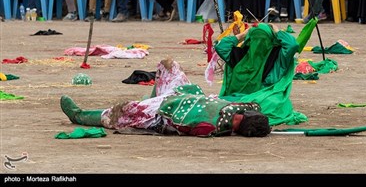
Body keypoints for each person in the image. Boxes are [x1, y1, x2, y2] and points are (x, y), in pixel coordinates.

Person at [60, 59, 271, 137]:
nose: (237, 114)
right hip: (179, 95)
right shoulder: (238, 109)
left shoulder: (210, 127)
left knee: (121, 111)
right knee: (168, 65)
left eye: (240, 119)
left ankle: (79, 116)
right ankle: (151, 97)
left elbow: (183, 126)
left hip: (161, 113)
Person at [215, 22, 308, 126]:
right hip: (237, 98)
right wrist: (244, 34)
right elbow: (220, 46)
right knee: (220, 104)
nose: (259, 43)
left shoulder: (277, 57)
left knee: (273, 102)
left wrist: (277, 31)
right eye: (255, 38)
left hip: (263, 98)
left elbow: (292, 45)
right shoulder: (238, 55)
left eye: (264, 39)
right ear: (249, 41)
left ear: (271, 40)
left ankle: (241, 112)